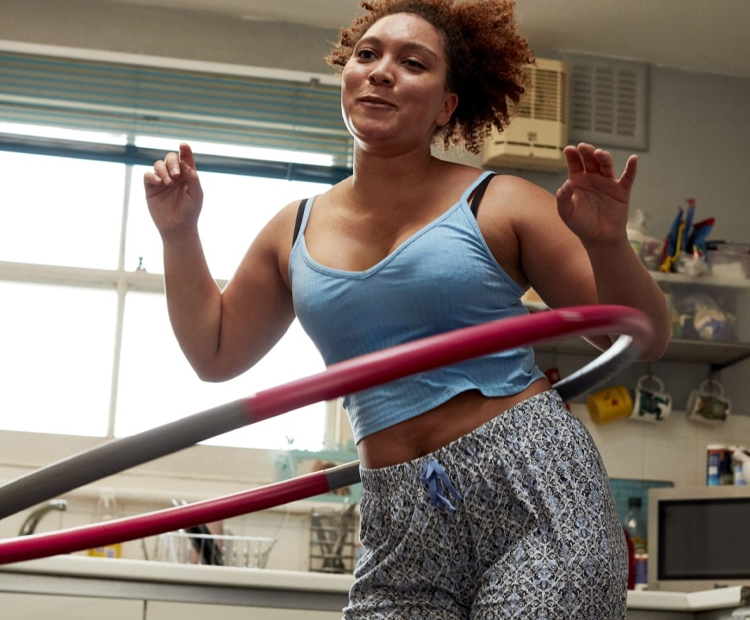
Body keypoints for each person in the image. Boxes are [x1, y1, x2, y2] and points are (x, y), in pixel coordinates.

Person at [144, 0, 670, 617]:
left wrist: (607, 244)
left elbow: (643, 336)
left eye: (413, 63)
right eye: (367, 54)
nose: (381, 70)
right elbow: (214, 354)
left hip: (533, 487)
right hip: (399, 516)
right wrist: (178, 234)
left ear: (447, 105)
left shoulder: (500, 202)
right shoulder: (293, 228)